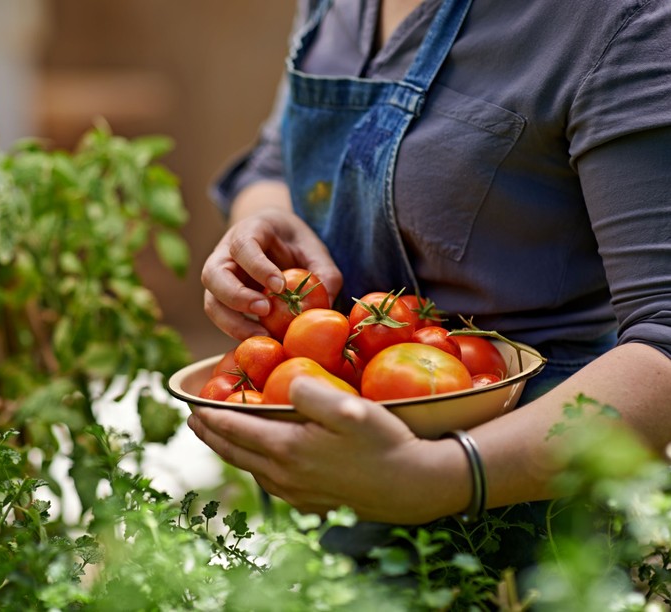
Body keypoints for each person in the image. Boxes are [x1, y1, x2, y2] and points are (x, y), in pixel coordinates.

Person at [188, 0, 671, 566]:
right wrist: (263, 226)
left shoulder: (620, 20)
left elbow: (664, 342)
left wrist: (445, 475)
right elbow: (273, 164)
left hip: (530, 526)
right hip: (314, 500)